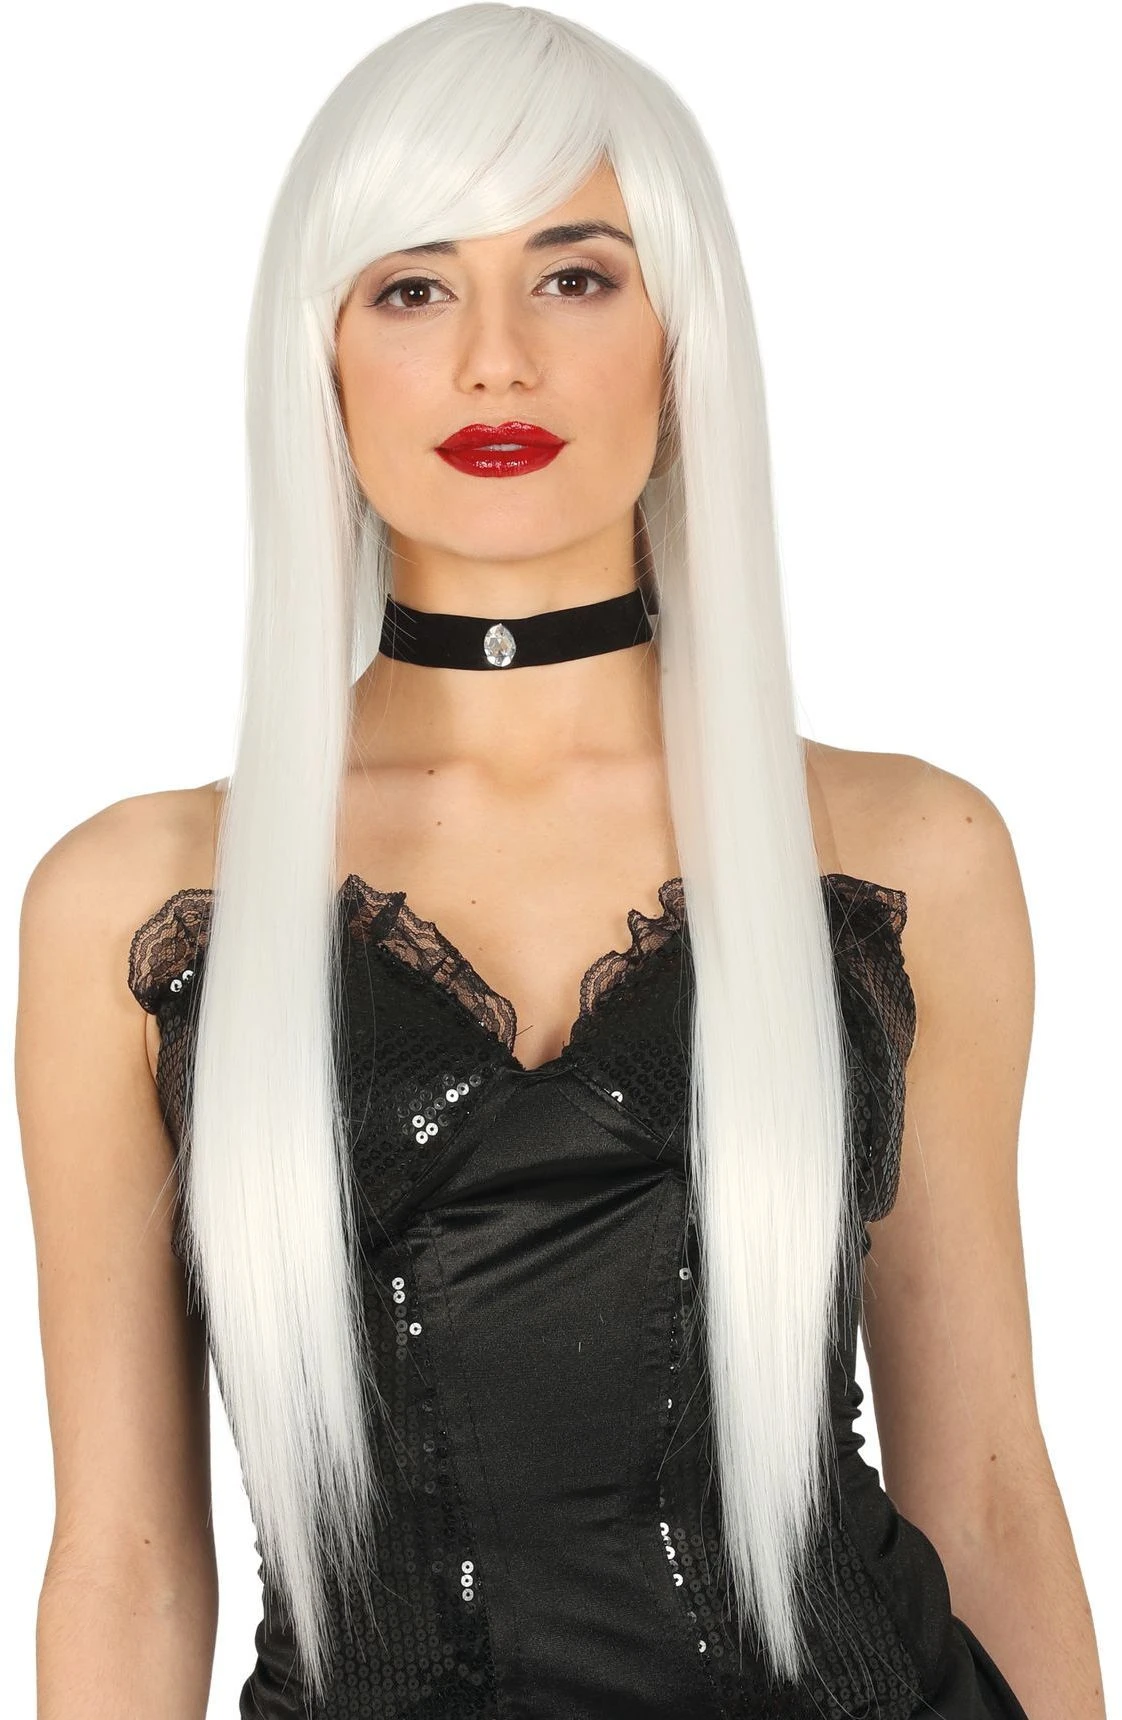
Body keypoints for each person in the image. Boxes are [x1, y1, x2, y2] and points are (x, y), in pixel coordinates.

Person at [16, 6, 1105, 1717]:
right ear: (322, 357)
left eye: (576, 276)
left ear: (680, 339)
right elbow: (128, 1559)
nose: (495, 361)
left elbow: (982, 1486)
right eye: (412, 286)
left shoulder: (905, 853)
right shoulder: (136, 902)